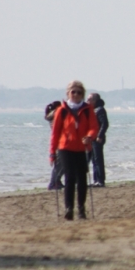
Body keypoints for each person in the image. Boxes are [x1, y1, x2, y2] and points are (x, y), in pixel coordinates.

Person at [49, 80, 100, 221]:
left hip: (82, 148)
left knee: (82, 179)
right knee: (70, 177)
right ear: (68, 93)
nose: (76, 94)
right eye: (73, 92)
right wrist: (52, 153)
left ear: (82, 94)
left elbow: (94, 127)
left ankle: (81, 209)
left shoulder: (88, 110)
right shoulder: (62, 110)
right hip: (65, 148)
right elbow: (55, 133)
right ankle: (69, 209)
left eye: (79, 92)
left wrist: (89, 137)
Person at [85, 92, 109, 188]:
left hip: (98, 138)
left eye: (89, 99)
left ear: (94, 101)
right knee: (94, 160)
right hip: (91, 138)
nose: (87, 101)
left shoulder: (100, 110)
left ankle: (100, 180)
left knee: (98, 159)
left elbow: (105, 124)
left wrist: (100, 135)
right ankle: (96, 180)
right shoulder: (92, 110)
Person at [44, 101, 64, 191]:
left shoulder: (52, 115)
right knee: (59, 164)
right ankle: (53, 183)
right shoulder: (56, 114)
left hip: (58, 141)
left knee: (61, 163)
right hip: (59, 141)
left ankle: (57, 181)